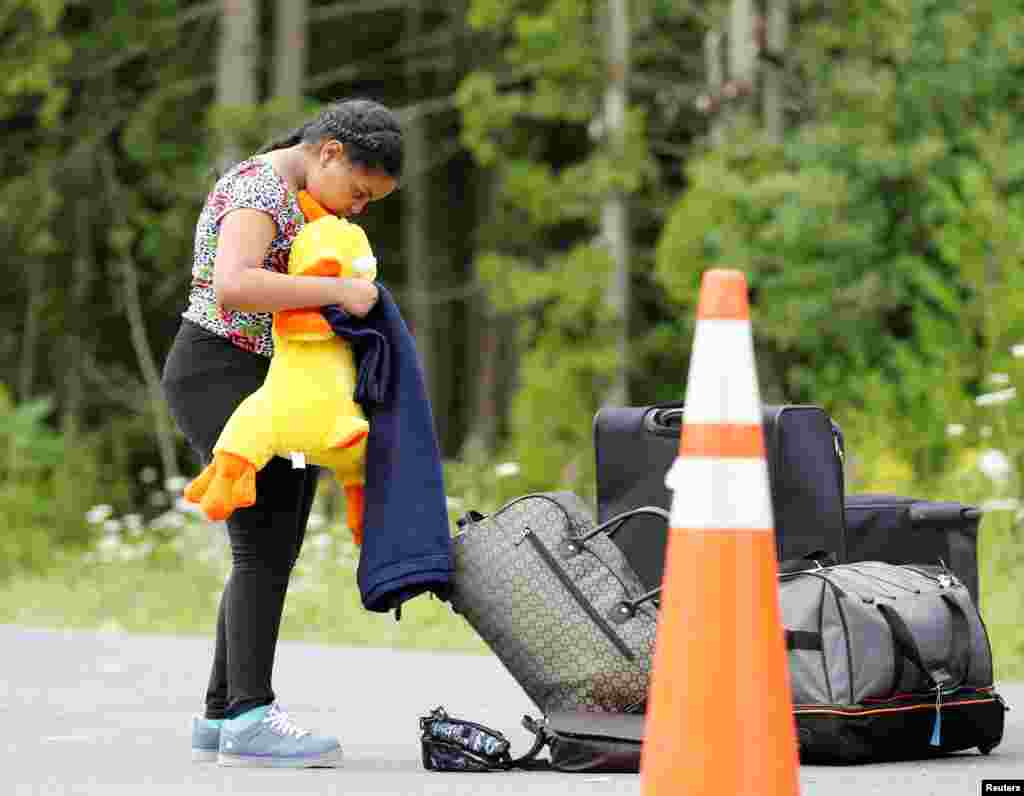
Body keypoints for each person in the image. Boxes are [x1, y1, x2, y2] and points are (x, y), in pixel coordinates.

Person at [161, 98, 401, 768]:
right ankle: (249, 716)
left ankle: (221, 713)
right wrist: (336, 296)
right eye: (357, 191)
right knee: (262, 544)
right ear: (328, 151)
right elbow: (234, 286)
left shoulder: (302, 196)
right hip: (220, 369)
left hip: (278, 382)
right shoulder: (258, 188)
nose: (356, 209)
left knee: (271, 545)